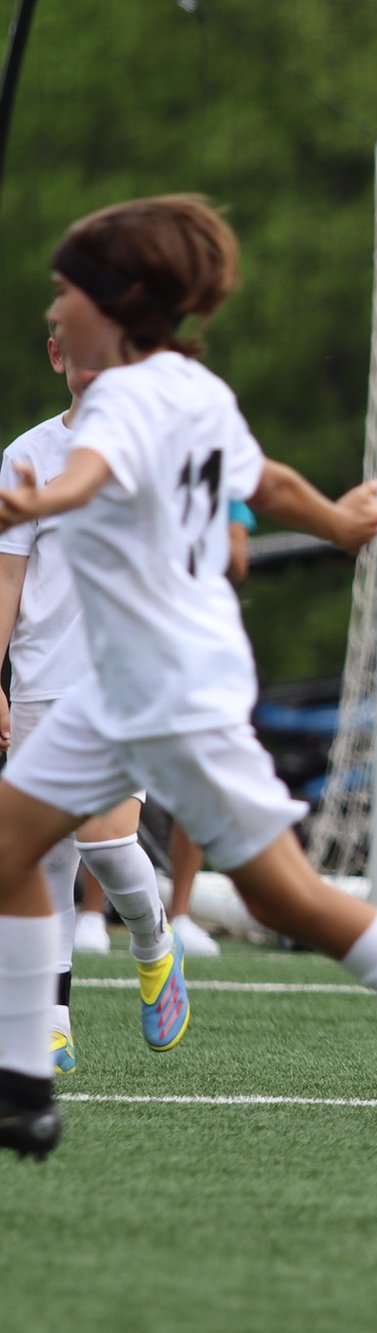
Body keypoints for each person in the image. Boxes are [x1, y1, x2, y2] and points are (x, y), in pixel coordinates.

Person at [0, 195, 377, 1172]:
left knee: (287, 902)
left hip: (171, 692)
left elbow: (90, 471)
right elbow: (264, 483)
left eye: (63, 294)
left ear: (120, 301)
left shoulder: (118, 406)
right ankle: (22, 1089)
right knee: (12, 847)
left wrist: (40, 497)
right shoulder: (194, 391)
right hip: (119, 688)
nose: (53, 313)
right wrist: (340, 525)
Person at [0, 330, 185, 1074]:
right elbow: (8, 583)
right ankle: (48, 1020)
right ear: (56, 357)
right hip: (45, 682)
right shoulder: (25, 457)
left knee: (107, 845)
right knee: (43, 854)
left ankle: (152, 938)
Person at [163, 498, 253, 960]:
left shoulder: (224, 483)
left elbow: (236, 562)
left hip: (198, 649)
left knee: (197, 782)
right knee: (114, 777)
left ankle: (178, 915)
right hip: (149, 637)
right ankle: (94, 916)